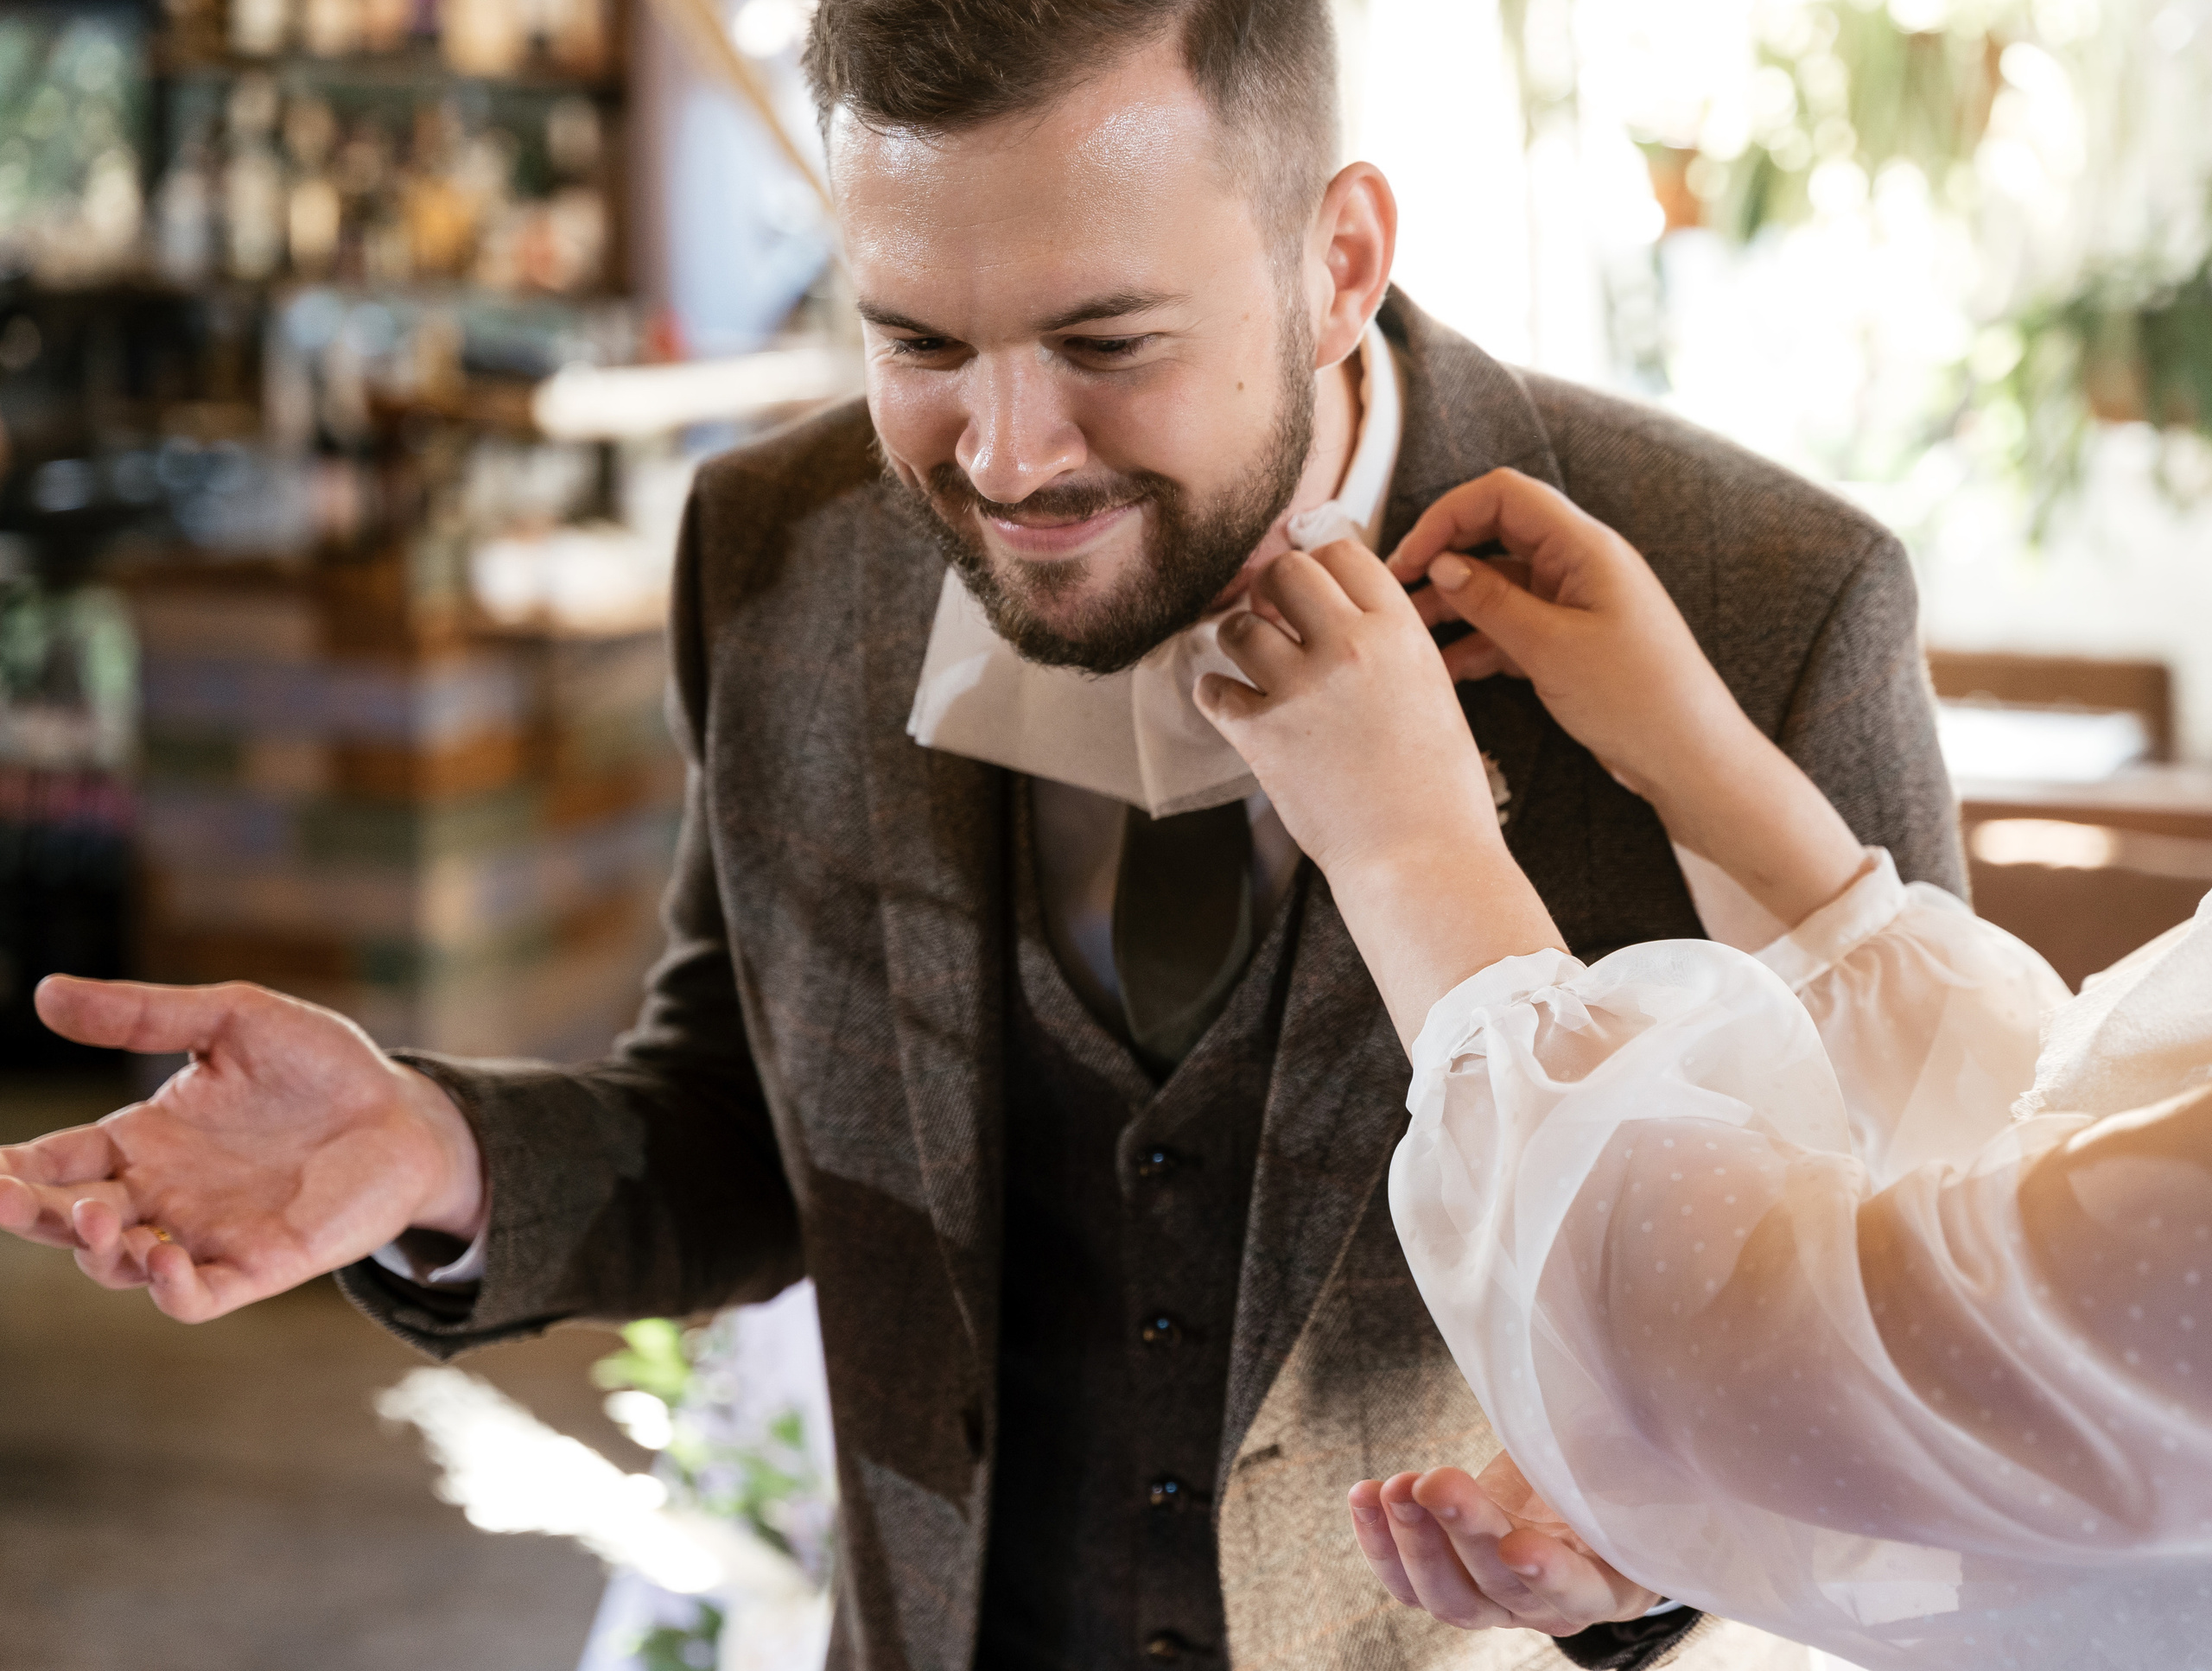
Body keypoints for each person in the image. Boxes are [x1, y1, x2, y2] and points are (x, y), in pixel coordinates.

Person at [0, 3, 1964, 1668]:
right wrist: (437, 1149)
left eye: (1108, 344)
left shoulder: (1763, 605)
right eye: (919, 343)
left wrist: (1663, 1535)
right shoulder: (776, 549)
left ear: (1338, 259)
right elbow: (753, 1121)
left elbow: (1925, 1363)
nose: (1005, 459)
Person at [1196, 467, 2212, 1671]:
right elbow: (2068, 1167)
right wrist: (1699, 760)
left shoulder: (1813, 580)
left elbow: (1778, 1336)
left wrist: (1409, 843)